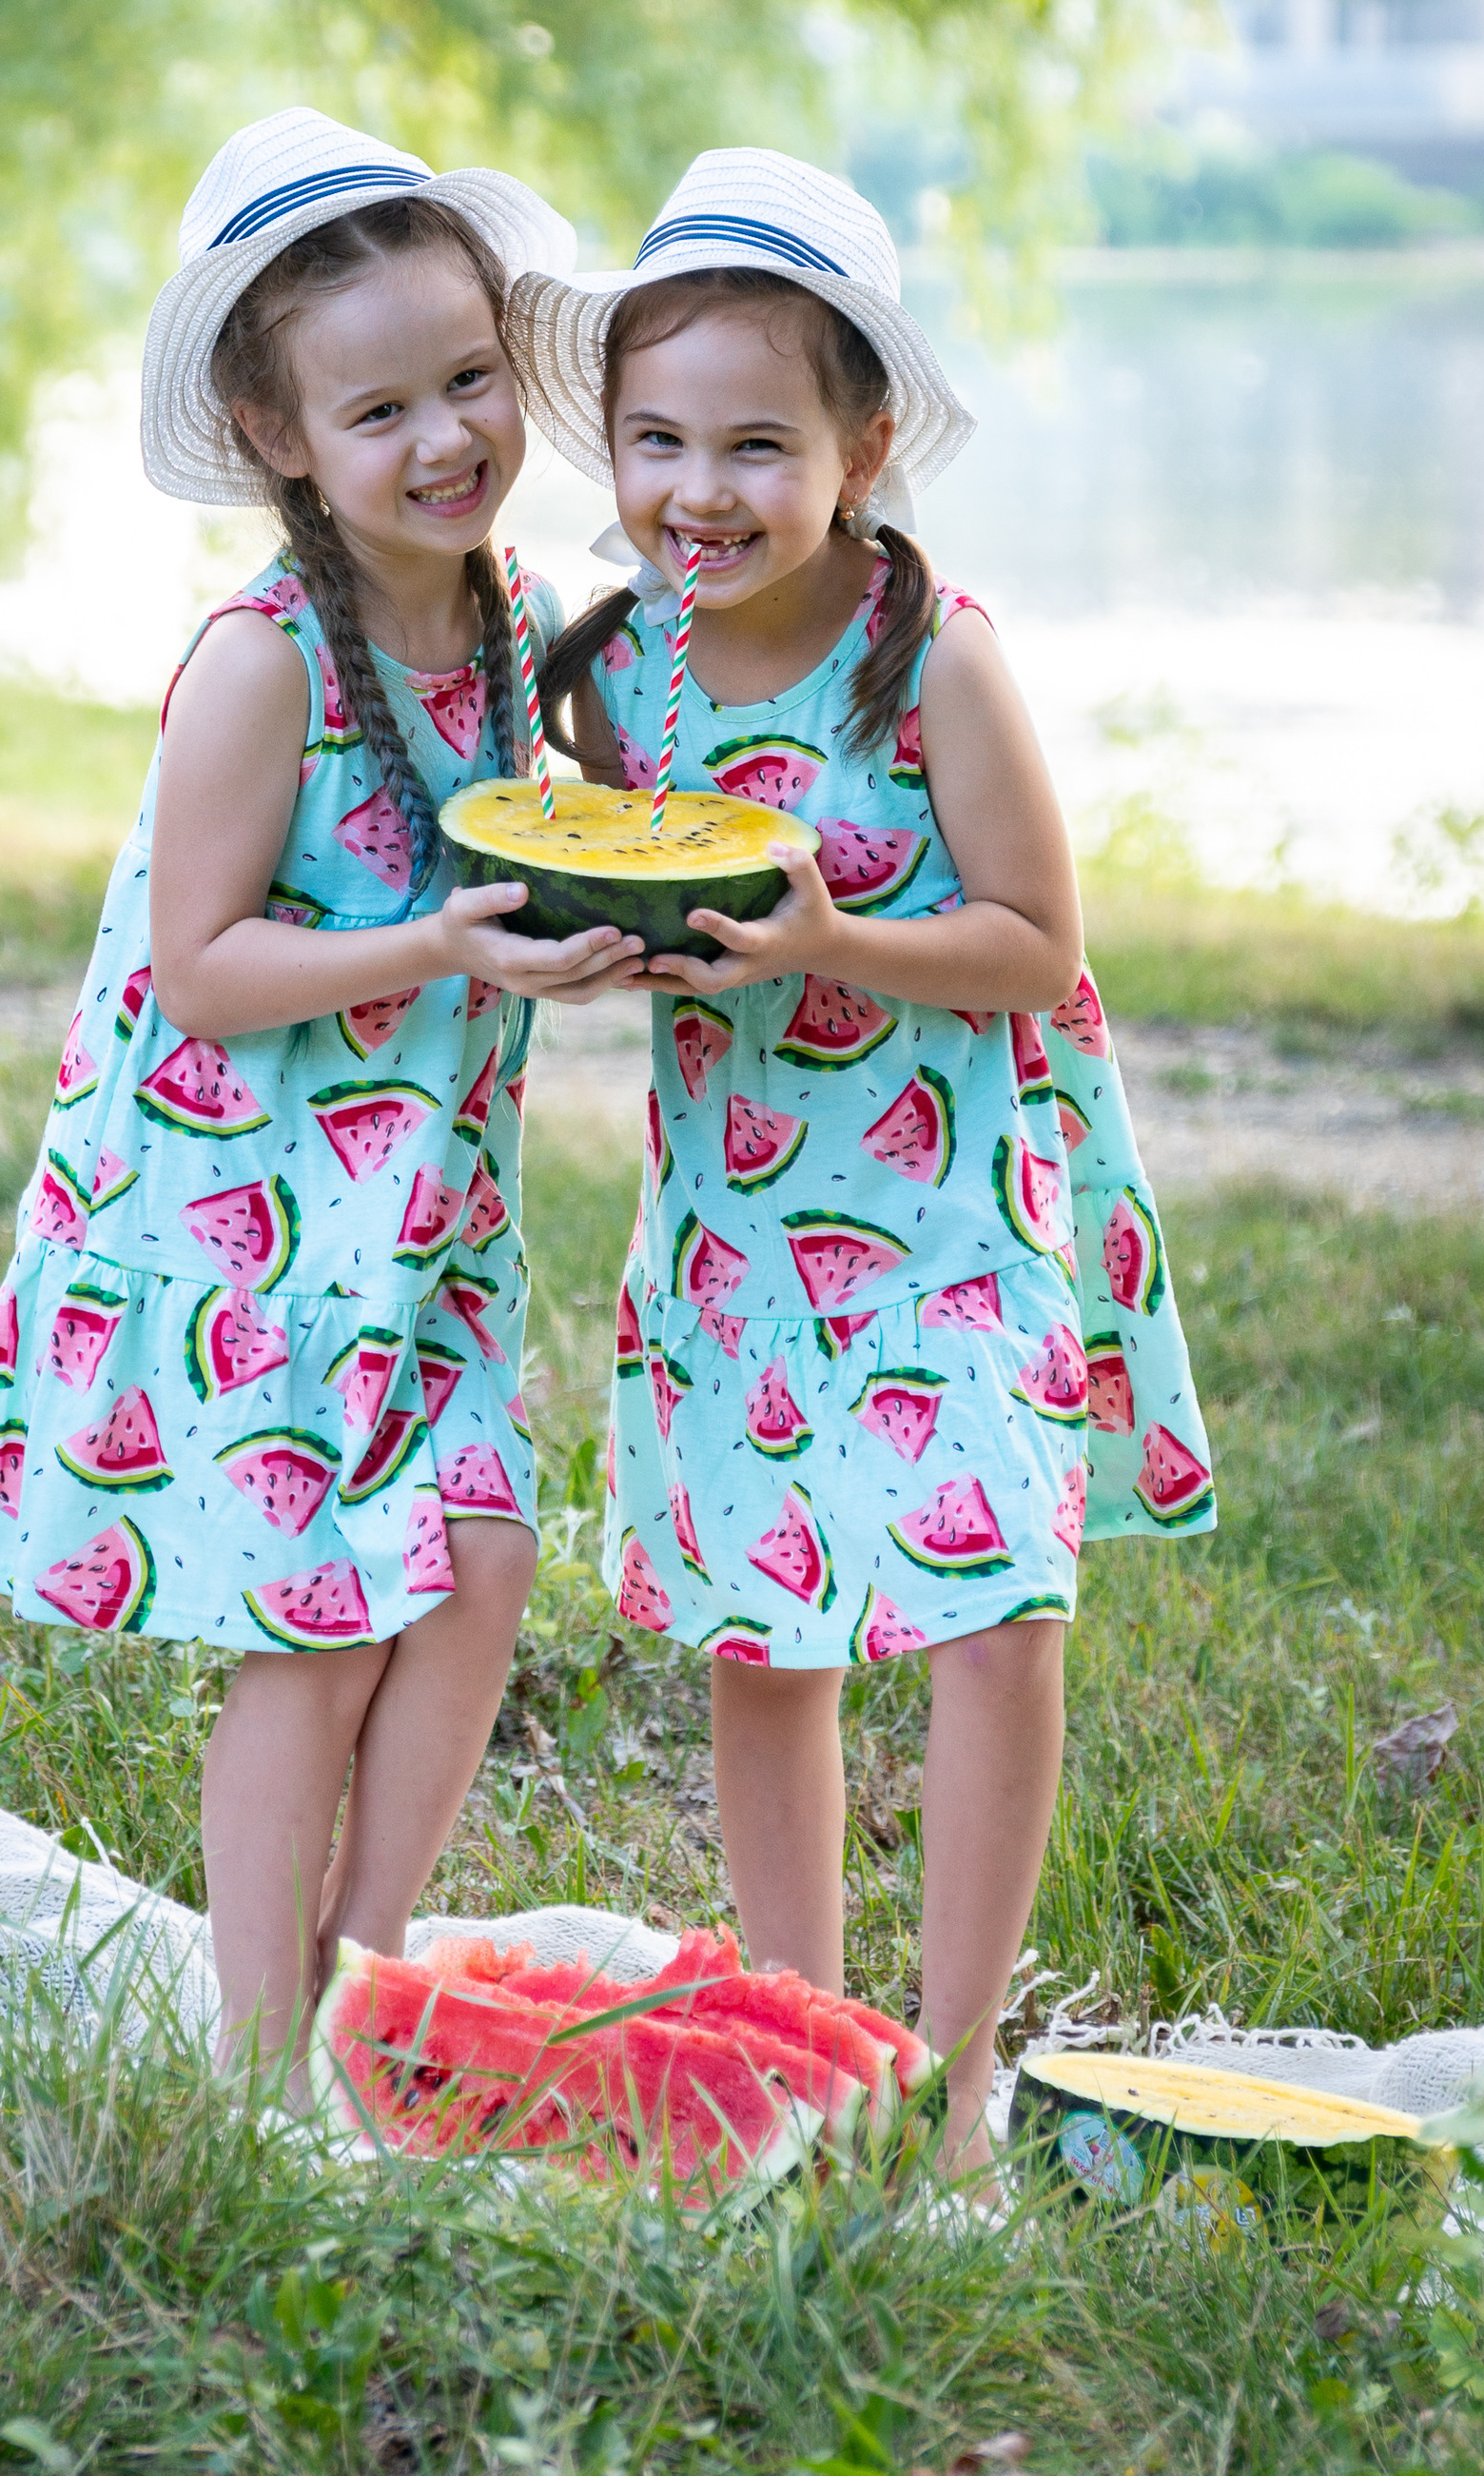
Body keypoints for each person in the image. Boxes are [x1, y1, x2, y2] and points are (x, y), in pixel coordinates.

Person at [517, 147, 1215, 2172]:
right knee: (768, 1628)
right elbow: (629, 908)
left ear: (863, 444)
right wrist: (584, 951)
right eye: (654, 442)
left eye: (753, 442)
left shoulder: (931, 657)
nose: (696, 491)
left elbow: (1034, 945)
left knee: (994, 1610)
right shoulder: (616, 667)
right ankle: (804, 2041)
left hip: (947, 1211)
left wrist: (832, 939)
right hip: (734, 1221)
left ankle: (958, 2055)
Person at [0, 109, 640, 2086]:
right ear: (277, 434)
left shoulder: (511, 617)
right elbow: (200, 966)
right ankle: (264, 2061)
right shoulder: (258, 667)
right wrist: (438, 946)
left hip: (418, 1212)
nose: (443, 440)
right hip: (231, 1214)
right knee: (322, 1621)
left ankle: (365, 1961)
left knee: (487, 1556)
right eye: (379, 410)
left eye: (469, 383)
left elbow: (542, 830)